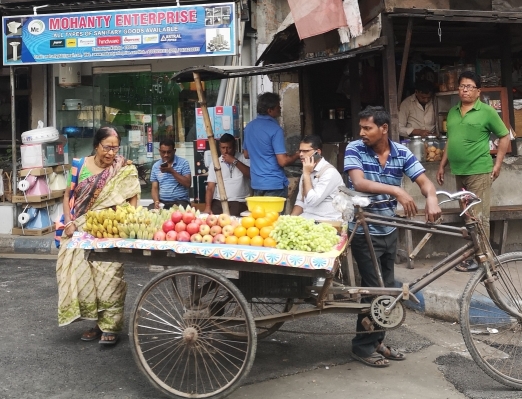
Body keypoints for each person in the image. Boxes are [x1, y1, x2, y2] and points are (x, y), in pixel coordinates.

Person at [344, 106, 441, 367]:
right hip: (364, 231)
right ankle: (362, 347)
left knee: (387, 290)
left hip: (389, 229)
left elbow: (424, 181)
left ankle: (376, 341)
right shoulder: (354, 148)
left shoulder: (402, 153)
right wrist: (397, 191)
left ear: (384, 129)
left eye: (368, 128)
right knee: (375, 288)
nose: (362, 132)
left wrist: (431, 198)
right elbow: (359, 182)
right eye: (361, 127)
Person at [56, 127, 141, 346]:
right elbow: (68, 196)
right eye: (107, 147)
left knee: (110, 275)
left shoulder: (123, 169)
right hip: (82, 230)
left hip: (110, 230)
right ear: (96, 146)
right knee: (87, 278)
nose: (111, 153)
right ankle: (96, 323)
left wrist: (127, 222)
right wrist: (69, 222)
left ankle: (110, 326)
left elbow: (132, 197)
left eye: (115, 148)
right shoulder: (79, 166)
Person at [437, 71, 510, 272]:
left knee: (479, 217)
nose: (465, 90)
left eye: (469, 87)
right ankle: (475, 256)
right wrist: (443, 164)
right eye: (462, 86)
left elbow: (505, 136)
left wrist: (498, 164)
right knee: (468, 216)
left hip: (479, 171)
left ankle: (485, 262)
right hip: (459, 172)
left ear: (478, 91)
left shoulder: (487, 111)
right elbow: (450, 140)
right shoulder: (453, 112)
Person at [243, 92, 300, 199]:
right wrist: (297, 155)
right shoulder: (276, 129)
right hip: (274, 184)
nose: (280, 108)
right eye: (278, 107)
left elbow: (246, 154)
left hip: (257, 183)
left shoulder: (249, 127)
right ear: (270, 110)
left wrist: (262, 153)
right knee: (274, 216)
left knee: (260, 216)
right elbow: (282, 161)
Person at [291, 135, 344, 220]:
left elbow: (312, 201)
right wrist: (290, 220)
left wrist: (306, 174)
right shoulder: (306, 170)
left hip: (327, 221)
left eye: (305, 151)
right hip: (307, 219)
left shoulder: (329, 172)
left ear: (317, 152)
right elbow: (300, 201)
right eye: (300, 151)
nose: (301, 154)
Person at [204, 133, 250, 216]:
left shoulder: (244, 158)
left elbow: (250, 174)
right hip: (219, 201)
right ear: (219, 147)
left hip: (238, 201)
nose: (226, 151)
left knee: (232, 218)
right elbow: (210, 188)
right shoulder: (215, 162)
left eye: (229, 148)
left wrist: (235, 161)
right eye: (223, 148)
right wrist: (208, 206)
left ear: (235, 146)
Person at [150, 138, 192, 210]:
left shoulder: (183, 163)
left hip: (181, 202)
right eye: (163, 152)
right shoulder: (156, 166)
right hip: (163, 202)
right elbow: (154, 188)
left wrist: (172, 171)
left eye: (169, 152)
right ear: (159, 151)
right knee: (149, 211)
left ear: (174, 151)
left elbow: (188, 183)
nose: (166, 155)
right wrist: (156, 201)